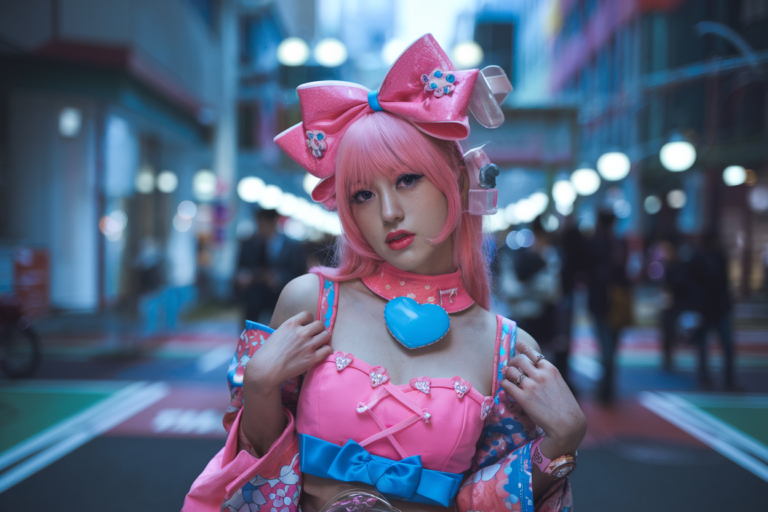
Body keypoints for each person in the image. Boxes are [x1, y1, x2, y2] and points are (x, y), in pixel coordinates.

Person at [184, 35, 584, 512]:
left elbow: (477, 503)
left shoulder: (507, 349)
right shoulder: (311, 302)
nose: (389, 212)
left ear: (456, 180)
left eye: (407, 180)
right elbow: (257, 478)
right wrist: (259, 387)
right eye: (362, 195)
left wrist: (561, 442)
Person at [586, 210, 631, 405]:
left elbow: (586, 271)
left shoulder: (595, 243)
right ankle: (608, 386)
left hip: (601, 300)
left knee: (605, 346)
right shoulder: (619, 244)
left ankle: (606, 388)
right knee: (611, 346)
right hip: (617, 299)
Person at [235, 208, 306, 325]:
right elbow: (241, 268)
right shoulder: (250, 244)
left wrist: (278, 278)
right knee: (252, 332)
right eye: (259, 223)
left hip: (280, 298)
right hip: (254, 298)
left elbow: (298, 271)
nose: (261, 226)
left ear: (273, 222)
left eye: (263, 222)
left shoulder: (292, 246)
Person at [688, 232, 737, 390]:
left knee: (726, 345)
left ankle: (727, 379)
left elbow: (724, 283)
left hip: (718, 307)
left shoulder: (719, 258)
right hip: (706, 308)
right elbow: (693, 285)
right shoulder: (699, 259)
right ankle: (705, 378)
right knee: (704, 345)